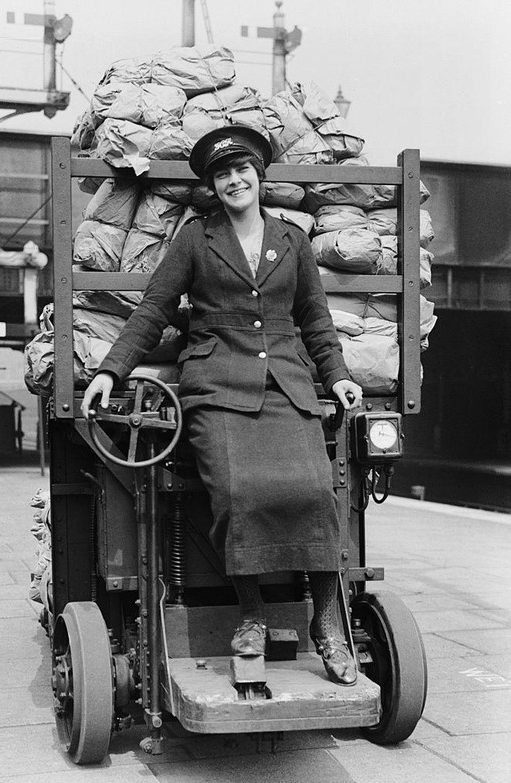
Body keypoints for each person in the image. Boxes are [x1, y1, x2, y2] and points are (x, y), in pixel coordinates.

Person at [82, 125, 363, 686]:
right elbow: (154, 310)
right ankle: (252, 615)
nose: (235, 180)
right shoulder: (195, 238)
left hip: (286, 382)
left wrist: (338, 377)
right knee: (238, 493)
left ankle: (328, 623)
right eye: (223, 174)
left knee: (312, 492)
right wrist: (110, 371)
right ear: (213, 184)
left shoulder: (293, 241)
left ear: (259, 178)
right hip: (215, 386)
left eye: (243, 171)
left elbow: (315, 319)